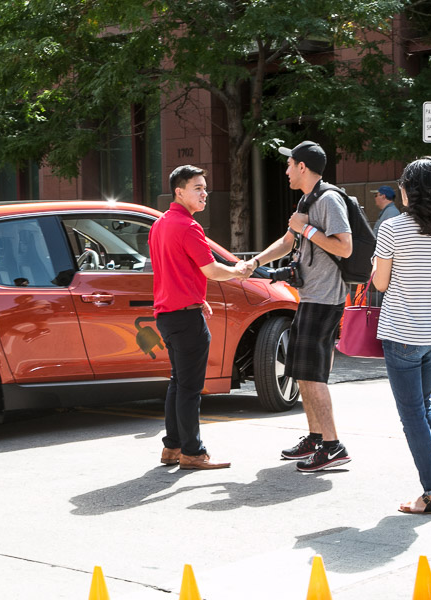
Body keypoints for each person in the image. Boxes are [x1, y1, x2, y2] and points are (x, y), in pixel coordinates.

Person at [244, 141, 353, 472]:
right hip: (310, 296)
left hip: (326, 299)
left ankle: (333, 445)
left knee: (312, 374)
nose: (287, 170)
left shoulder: (330, 199)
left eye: (290, 165)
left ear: (303, 167)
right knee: (301, 372)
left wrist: (305, 227)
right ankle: (315, 437)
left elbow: (344, 247)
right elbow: (289, 241)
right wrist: (255, 262)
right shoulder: (309, 199)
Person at [371, 157, 431, 515]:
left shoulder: (394, 229)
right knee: (424, 405)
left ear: (409, 191)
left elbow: (380, 282)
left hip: (405, 333)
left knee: (412, 413)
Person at [149, 165, 252, 470]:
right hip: (186, 319)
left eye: (205, 187)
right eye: (197, 188)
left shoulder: (160, 224)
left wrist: (198, 297)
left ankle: (172, 448)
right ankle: (193, 453)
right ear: (179, 192)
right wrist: (236, 271)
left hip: (168, 315)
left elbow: (175, 269)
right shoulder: (188, 226)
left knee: (178, 383)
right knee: (190, 388)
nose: (204, 193)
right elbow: (211, 269)